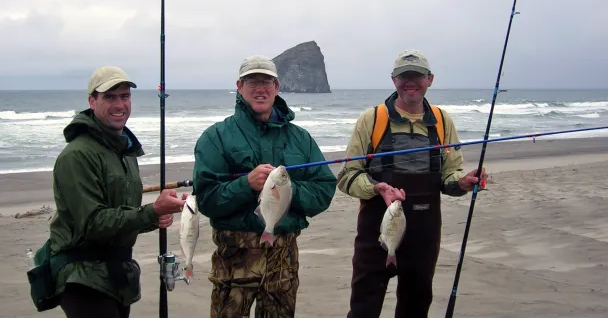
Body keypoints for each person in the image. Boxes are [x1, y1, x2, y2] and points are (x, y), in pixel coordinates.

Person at [336, 49, 488, 318]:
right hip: (376, 232)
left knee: (416, 305)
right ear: (394, 80)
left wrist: (463, 182)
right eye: (403, 76)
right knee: (364, 307)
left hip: (424, 234)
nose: (410, 82)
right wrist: (376, 188)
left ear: (430, 79)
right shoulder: (372, 120)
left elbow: (449, 176)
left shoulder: (442, 121)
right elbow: (348, 177)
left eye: (417, 76)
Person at [192, 55, 337, 318]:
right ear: (239, 86)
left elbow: (324, 190)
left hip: (284, 259)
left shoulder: (300, 139)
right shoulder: (216, 137)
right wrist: (245, 184)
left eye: (267, 82)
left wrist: (287, 192)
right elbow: (206, 200)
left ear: (277, 87)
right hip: (234, 259)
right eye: (252, 82)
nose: (260, 89)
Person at [46, 66, 187, 318]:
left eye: (124, 96)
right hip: (83, 277)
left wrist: (156, 217)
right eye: (109, 97)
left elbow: (123, 216)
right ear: (92, 101)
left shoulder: (124, 153)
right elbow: (93, 223)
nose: (119, 104)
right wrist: (151, 211)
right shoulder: (77, 155)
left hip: (117, 275)